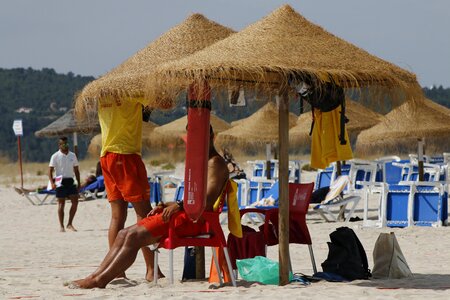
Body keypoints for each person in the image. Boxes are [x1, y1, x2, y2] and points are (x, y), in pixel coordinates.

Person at [71, 126, 229, 289]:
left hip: (194, 220)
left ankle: (100, 281)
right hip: (186, 214)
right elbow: (196, 197)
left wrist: (179, 205)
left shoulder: (214, 163)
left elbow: (207, 200)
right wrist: (168, 204)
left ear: (211, 137)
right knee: (123, 233)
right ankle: (95, 276)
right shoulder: (203, 162)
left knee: (133, 237)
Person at [97, 99, 157, 281]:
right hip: (126, 154)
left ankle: (117, 273)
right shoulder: (132, 93)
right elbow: (166, 102)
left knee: (117, 216)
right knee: (145, 214)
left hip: (106, 156)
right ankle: (151, 270)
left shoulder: (102, 97)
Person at [49, 137, 81, 232]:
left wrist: (79, 183)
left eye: (66, 144)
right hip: (59, 180)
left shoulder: (72, 155)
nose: (65, 146)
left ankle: (70, 223)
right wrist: (52, 183)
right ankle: (61, 226)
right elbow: (50, 171)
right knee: (61, 204)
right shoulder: (55, 156)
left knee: (75, 202)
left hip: (70, 180)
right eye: (63, 144)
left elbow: (76, 170)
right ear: (59, 145)